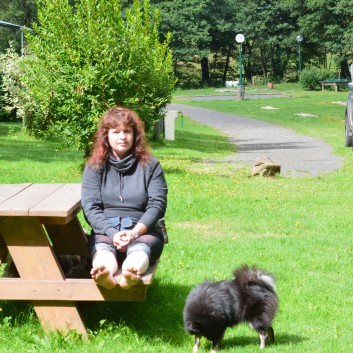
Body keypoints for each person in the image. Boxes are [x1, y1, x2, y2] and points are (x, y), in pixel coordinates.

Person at [81, 106, 168, 290]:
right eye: (116, 132)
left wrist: (135, 232)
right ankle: (104, 274)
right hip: (105, 229)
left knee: (139, 252)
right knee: (103, 252)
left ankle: (131, 274)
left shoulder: (151, 165)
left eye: (127, 131)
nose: (122, 137)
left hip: (143, 230)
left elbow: (157, 205)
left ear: (135, 135)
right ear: (106, 136)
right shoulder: (94, 167)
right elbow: (90, 207)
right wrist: (112, 232)